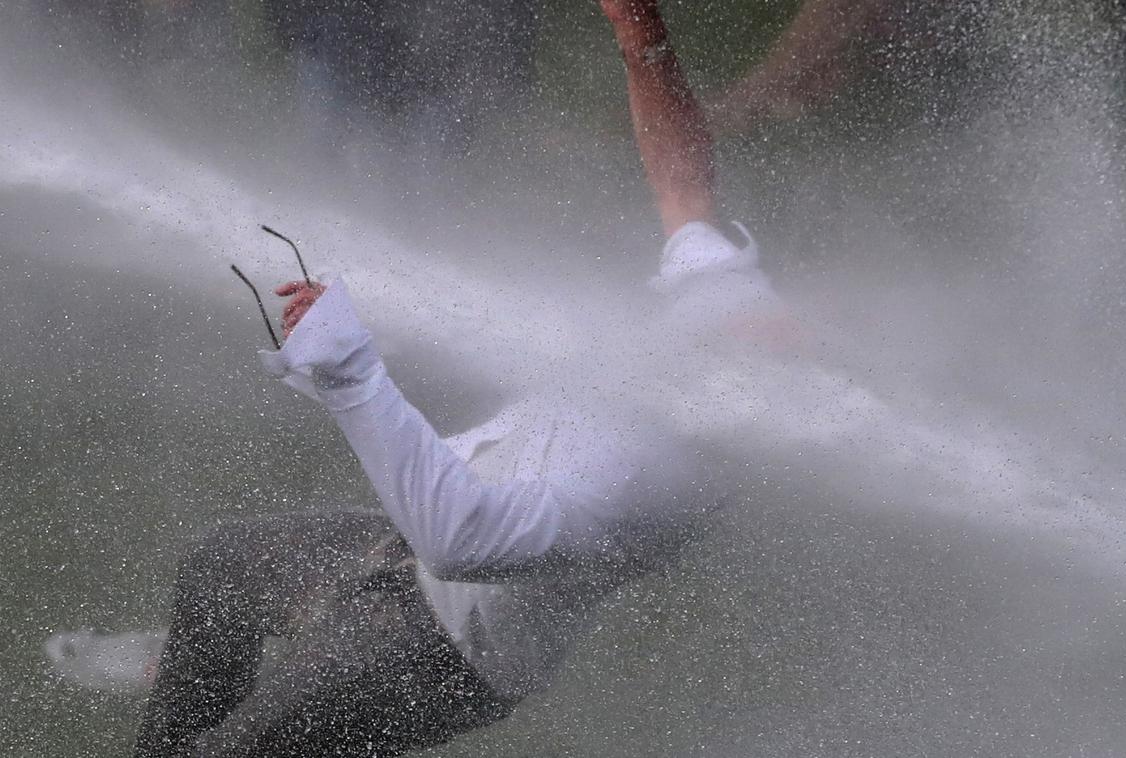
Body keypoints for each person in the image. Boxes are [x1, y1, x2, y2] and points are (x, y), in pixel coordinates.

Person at [121, 1, 787, 755]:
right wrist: (643, 37)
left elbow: (459, 538)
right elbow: (683, 180)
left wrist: (349, 371)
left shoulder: (653, 483)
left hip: (434, 655)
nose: (778, 332)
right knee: (223, 568)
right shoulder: (726, 301)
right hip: (393, 555)